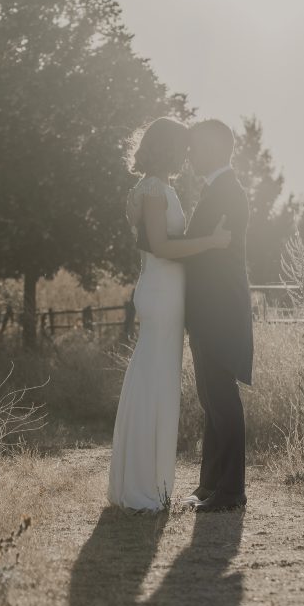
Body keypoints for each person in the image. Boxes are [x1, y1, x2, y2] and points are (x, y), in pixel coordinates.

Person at [107, 117, 231, 511]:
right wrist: (210, 242)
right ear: (167, 147)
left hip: (160, 293)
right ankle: (144, 486)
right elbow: (161, 245)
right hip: (161, 294)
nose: (187, 154)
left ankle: (146, 481)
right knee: (155, 385)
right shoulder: (155, 189)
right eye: (182, 146)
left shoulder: (149, 188)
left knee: (153, 381)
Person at [181, 119, 253, 513]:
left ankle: (231, 492)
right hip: (208, 311)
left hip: (220, 310)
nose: (190, 154)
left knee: (223, 399)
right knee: (211, 399)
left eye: (195, 147)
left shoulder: (228, 192)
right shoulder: (217, 189)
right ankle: (209, 485)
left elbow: (206, 254)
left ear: (214, 149)